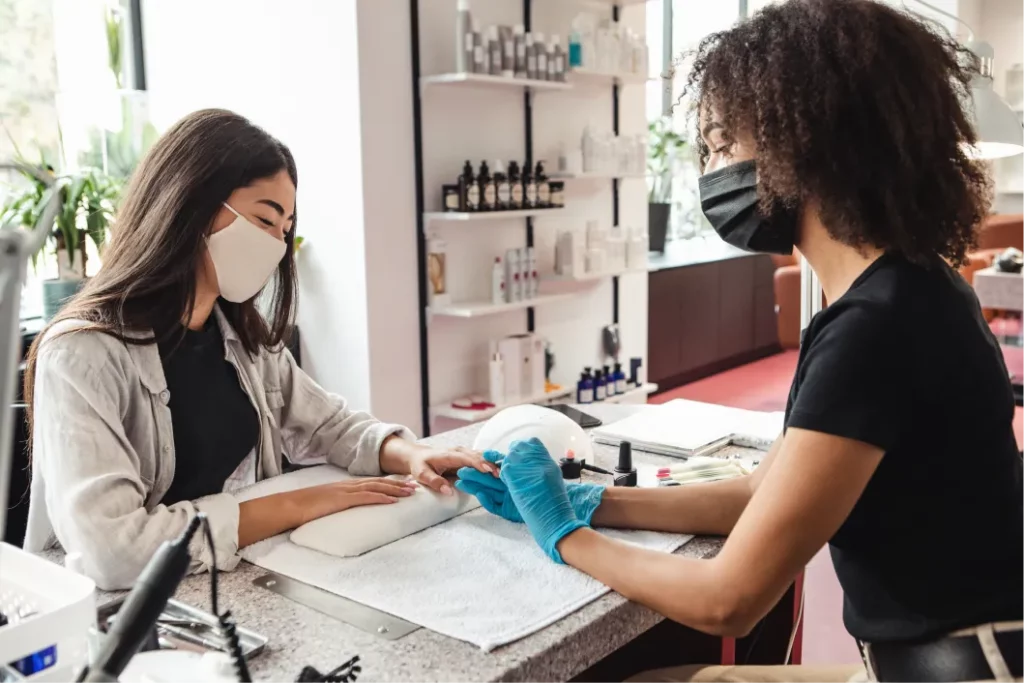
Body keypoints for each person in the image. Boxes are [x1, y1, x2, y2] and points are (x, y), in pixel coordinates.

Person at [457, 1, 1024, 681]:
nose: (714, 169)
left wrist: (561, 532)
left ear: (803, 143)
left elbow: (729, 600)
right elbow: (758, 492)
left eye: (725, 144)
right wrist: (592, 501)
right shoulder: (905, 289)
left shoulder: (876, 329)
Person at [24, 109, 494, 590]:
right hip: (125, 618)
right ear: (188, 204)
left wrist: (408, 453)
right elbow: (114, 552)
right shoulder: (81, 355)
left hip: (228, 583)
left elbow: (329, 424)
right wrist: (299, 503)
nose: (276, 245)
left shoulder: (241, 338)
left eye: (285, 228)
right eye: (264, 220)